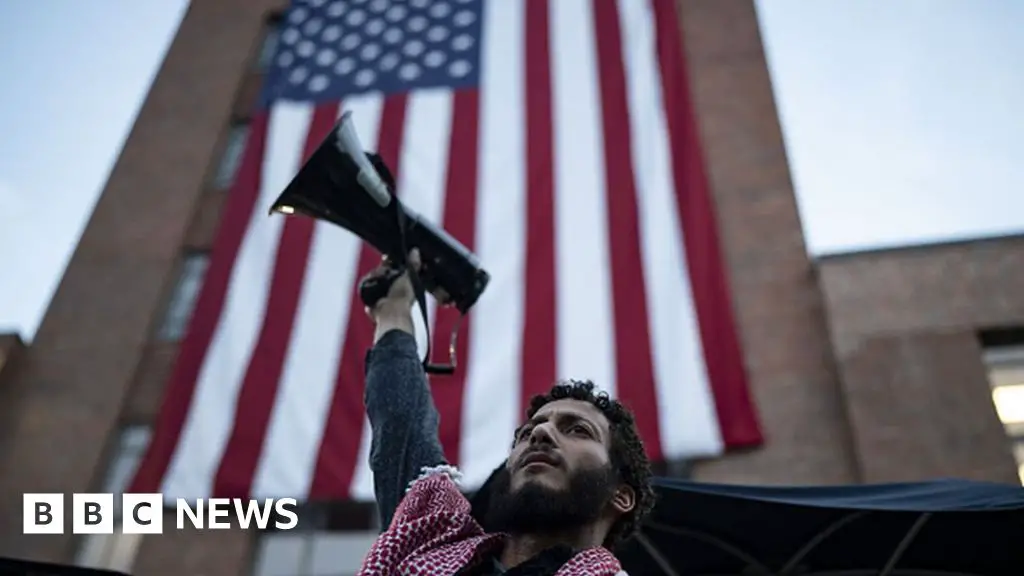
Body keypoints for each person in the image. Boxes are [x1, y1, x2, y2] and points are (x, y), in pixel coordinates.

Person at [357, 249, 656, 575]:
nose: (541, 434)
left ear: (621, 496)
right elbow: (402, 424)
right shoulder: (428, 549)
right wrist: (393, 311)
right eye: (527, 433)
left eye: (578, 430)